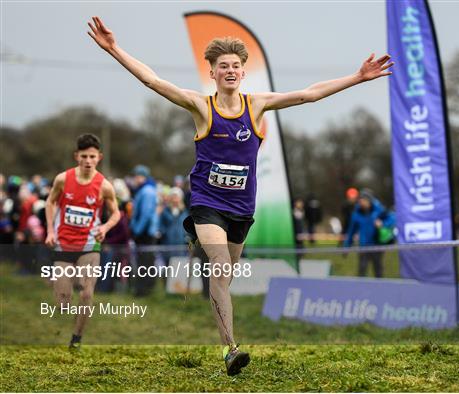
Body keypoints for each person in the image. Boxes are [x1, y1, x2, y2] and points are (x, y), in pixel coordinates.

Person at [88, 16, 393, 375]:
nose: (230, 71)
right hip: (207, 205)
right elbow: (152, 80)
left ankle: (224, 336)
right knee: (218, 267)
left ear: (243, 72)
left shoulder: (257, 105)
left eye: (235, 66)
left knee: (224, 277)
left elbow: (309, 94)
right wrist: (113, 49)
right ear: (213, 73)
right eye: (223, 66)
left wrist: (357, 77)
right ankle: (231, 350)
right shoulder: (201, 106)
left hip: (241, 209)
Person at [45, 134, 120, 350]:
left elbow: (116, 214)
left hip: (89, 244)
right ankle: (60, 288)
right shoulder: (62, 179)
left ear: (99, 157)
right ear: (76, 156)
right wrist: (50, 231)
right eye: (84, 156)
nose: (88, 160)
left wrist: (104, 228)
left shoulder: (104, 185)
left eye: (92, 156)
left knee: (87, 292)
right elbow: (50, 203)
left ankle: (76, 337)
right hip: (63, 243)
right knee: (63, 302)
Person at [344, 190, 395, 278]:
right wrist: (347, 246)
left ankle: (380, 288)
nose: (362, 202)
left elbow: (393, 219)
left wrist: (382, 224)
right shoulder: (356, 214)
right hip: (363, 246)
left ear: (369, 200)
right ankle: (361, 289)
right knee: (362, 270)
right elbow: (351, 231)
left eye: (364, 200)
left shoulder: (379, 210)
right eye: (360, 200)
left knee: (378, 270)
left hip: (377, 245)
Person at [130, 164, 159, 297]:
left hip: (145, 232)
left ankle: (143, 290)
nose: (135, 178)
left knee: (144, 262)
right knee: (146, 261)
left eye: (137, 176)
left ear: (143, 177)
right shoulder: (147, 189)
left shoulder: (146, 191)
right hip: (147, 231)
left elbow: (145, 214)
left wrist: (137, 230)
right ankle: (147, 288)